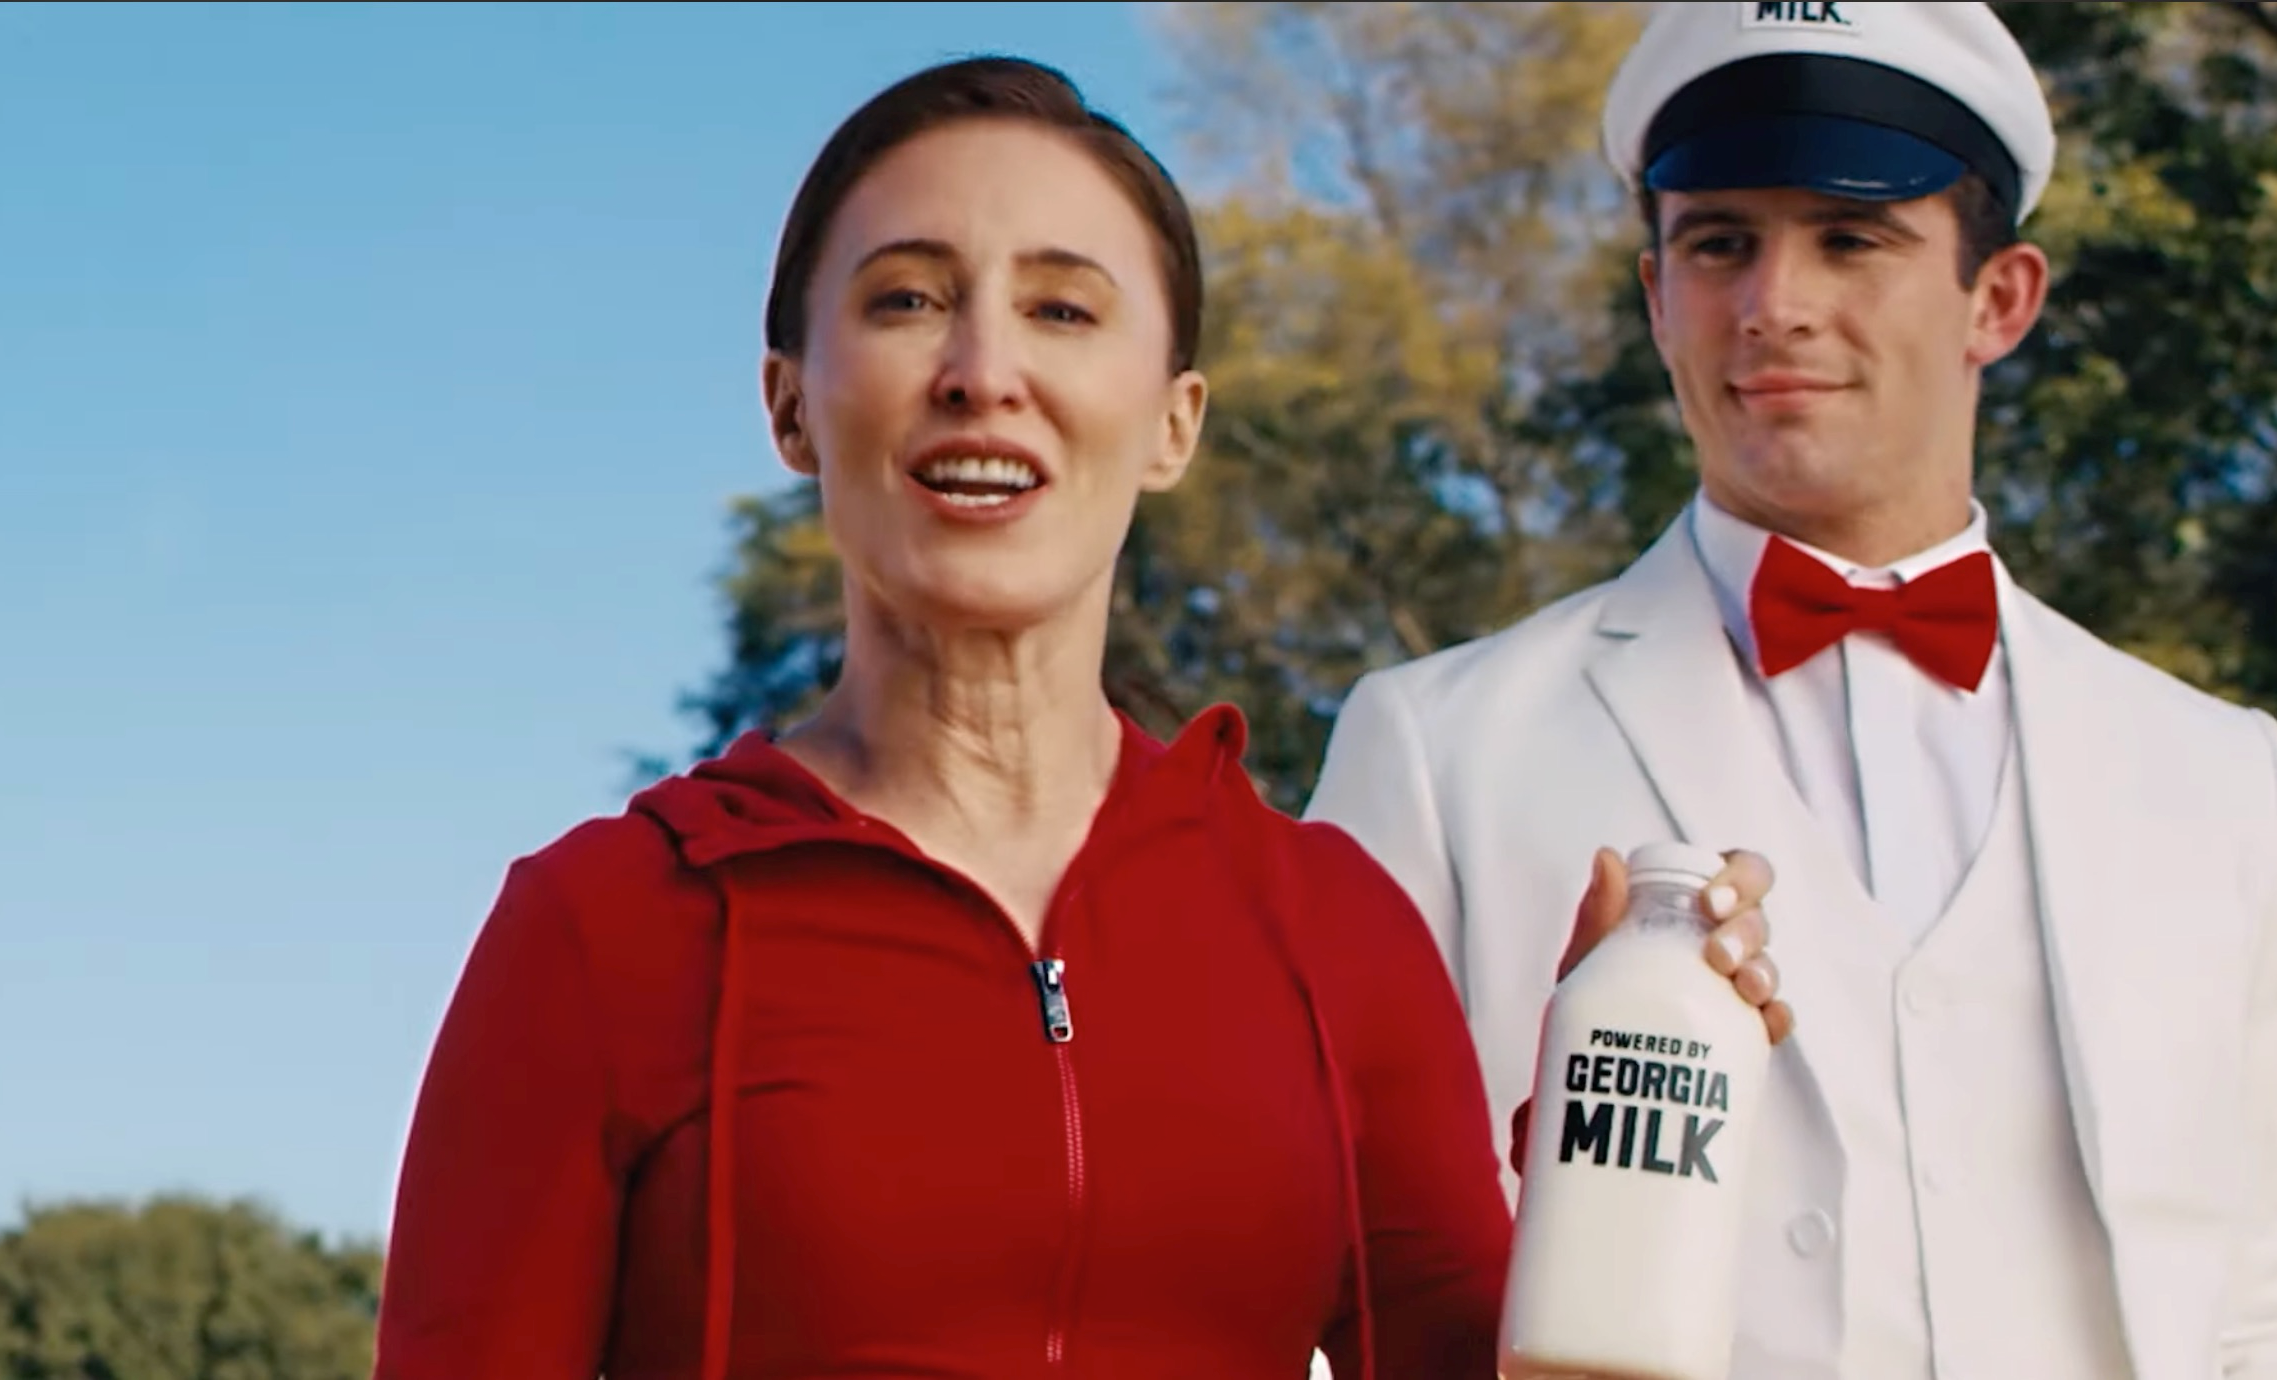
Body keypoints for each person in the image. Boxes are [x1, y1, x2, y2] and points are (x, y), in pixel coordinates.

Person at [368, 53, 1788, 1380]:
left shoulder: (1331, 933)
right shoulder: (599, 930)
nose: (984, 370)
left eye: (1060, 308)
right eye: (907, 299)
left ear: (1171, 421)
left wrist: (1614, 1142)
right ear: (791, 406)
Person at [1306, 4, 2277, 1378]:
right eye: (1718, 244)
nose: (1774, 305)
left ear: (1996, 299)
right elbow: (1335, 1269)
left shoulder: (2214, 776)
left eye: (1850, 236)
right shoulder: (1436, 749)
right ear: (1655, 294)